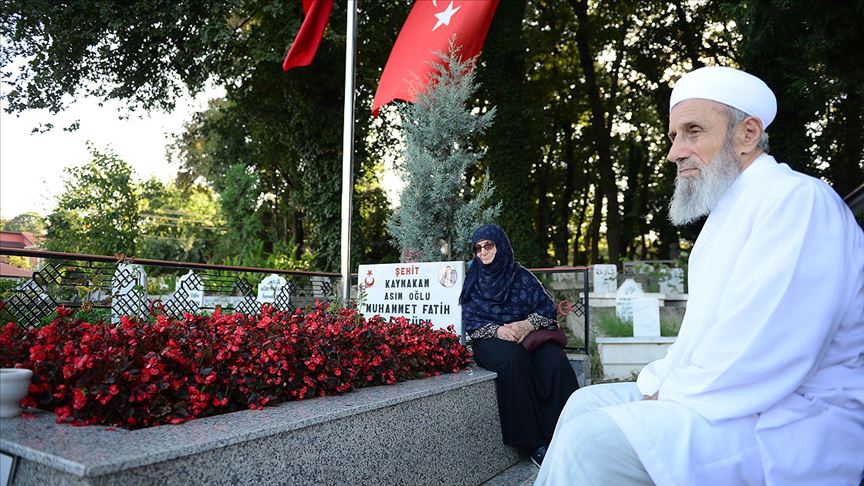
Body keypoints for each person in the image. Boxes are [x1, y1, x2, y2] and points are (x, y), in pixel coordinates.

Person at [537, 66, 864, 485]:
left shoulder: (798, 201)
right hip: (735, 399)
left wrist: (665, 394)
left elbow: (766, 350)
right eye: (674, 136)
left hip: (794, 417)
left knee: (591, 441)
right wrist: (657, 385)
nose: (674, 152)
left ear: (747, 134)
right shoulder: (727, 214)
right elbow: (701, 339)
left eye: (693, 131)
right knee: (584, 402)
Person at [460, 224, 579, 467]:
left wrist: (527, 325)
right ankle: (533, 442)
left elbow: (547, 309)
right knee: (514, 359)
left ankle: (568, 430)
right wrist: (499, 330)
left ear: (501, 245)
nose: (483, 252)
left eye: (489, 245)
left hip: (528, 334)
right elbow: (471, 322)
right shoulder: (474, 281)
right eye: (478, 248)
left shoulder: (521, 275)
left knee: (554, 360)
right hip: (490, 339)